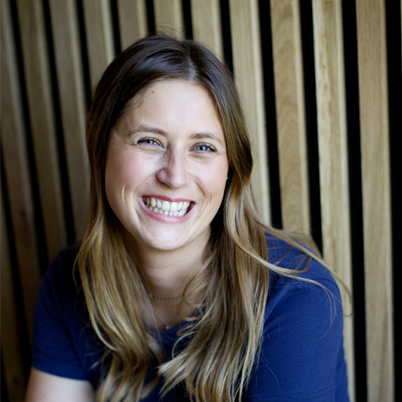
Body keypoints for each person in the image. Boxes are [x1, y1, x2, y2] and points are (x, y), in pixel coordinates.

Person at [25, 35, 349, 402]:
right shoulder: (69, 282)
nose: (174, 176)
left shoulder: (295, 295)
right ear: (101, 148)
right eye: (149, 141)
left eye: (203, 148)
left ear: (231, 170)